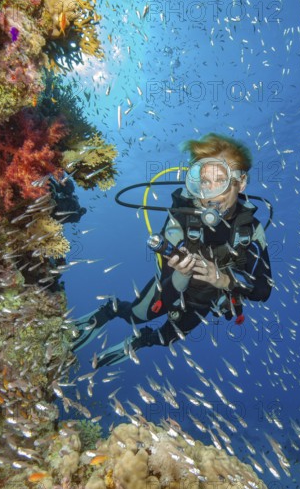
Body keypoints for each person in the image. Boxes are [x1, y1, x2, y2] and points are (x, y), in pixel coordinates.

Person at [70, 133, 273, 369]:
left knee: (168, 338)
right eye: (204, 181)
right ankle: (110, 310)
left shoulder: (251, 229)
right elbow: (167, 270)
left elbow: (263, 289)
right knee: (137, 315)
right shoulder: (182, 216)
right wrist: (181, 272)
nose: (209, 192)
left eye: (220, 180)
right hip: (172, 285)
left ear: (241, 182)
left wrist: (224, 280)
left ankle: (141, 340)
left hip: (205, 301)